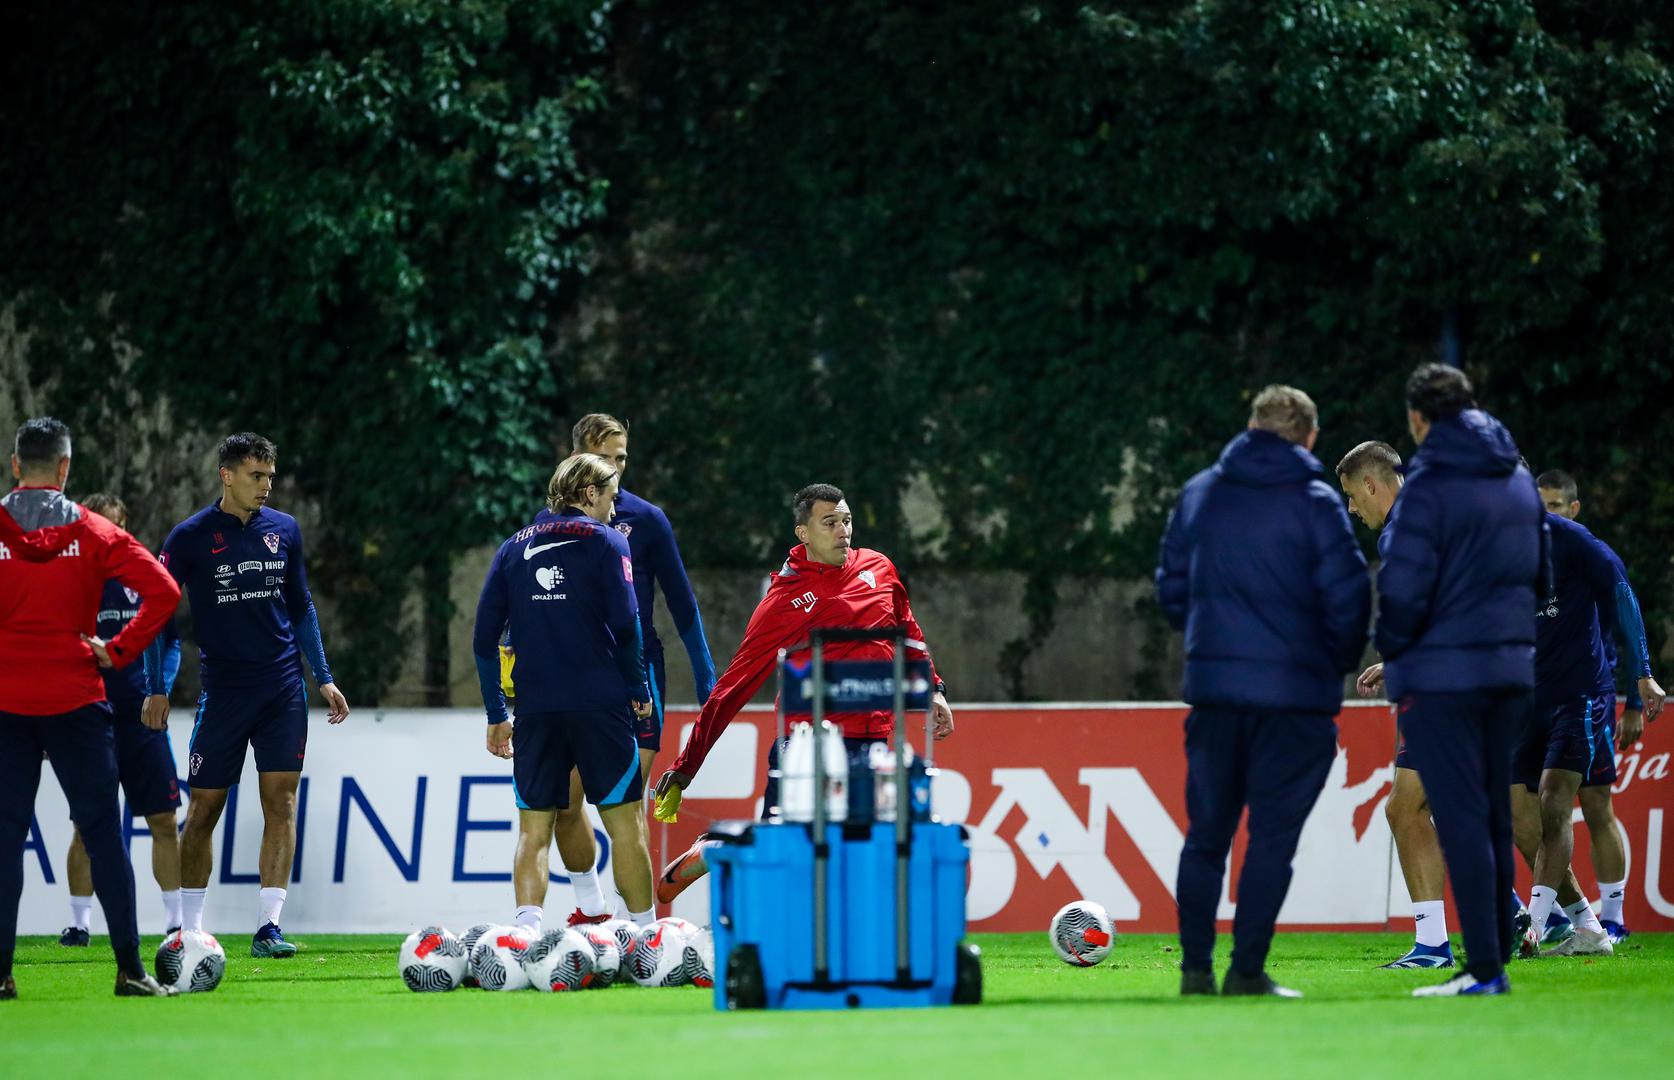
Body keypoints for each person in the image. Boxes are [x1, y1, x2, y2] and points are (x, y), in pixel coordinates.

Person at [1157, 386, 1371, 998]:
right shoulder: (1315, 501)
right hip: (1296, 701)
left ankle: (1195, 971)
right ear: (1309, 436)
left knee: (1206, 838)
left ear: (1250, 425)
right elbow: (1350, 596)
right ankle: (1246, 971)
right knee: (1272, 842)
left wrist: (1210, 643)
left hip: (1216, 695)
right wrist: (1330, 666)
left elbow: (1170, 589)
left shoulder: (1200, 493)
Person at [650, 483, 953, 903]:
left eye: (846, 520)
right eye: (829, 523)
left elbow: (907, 628)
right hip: (807, 745)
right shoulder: (786, 600)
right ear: (803, 533)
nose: (843, 530)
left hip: (871, 743)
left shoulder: (879, 567)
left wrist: (934, 688)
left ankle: (723, 850)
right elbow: (734, 685)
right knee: (786, 859)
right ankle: (719, 852)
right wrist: (687, 765)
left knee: (850, 860)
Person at [500, 414, 717, 925]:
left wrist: (708, 680)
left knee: (626, 808)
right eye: (607, 458)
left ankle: (636, 927)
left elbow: (682, 604)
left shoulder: (647, 519)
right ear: (579, 459)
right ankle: (593, 909)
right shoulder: (545, 526)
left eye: (622, 458)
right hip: (574, 682)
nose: (618, 468)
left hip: (637, 676)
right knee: (565, 809)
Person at [142, 433, 350, 959]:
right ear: (227, 475)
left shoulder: (285, 530)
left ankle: (268, 928)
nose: (266, 486)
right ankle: (189, 931)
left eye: (270, 477)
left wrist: (322, 676)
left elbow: (301, 607)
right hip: (225, 694)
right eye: (257, 476)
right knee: (204, 809)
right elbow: (157, 614)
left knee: (281, 803)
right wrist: (155, 687)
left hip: (282, 689)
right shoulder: (189, 537)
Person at [0, 417, 181, 998]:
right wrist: (121, 649)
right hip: (77, 700)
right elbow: (165, 592)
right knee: (103, 833)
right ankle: (130, 971)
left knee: (5, 837)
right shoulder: (96, 531)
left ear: (14, 466)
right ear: (65, 468)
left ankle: (1, 976)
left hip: (6, 703)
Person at [1376, 364, 1541, 997]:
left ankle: (1485, 970)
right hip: (1513, 670)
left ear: (1418, 418)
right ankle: (1495, 961)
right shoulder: (1516, 479)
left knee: (1461, 819)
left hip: (1446, 674)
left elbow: (1404, 588)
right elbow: (1543, 572)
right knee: (1494, 816)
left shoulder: (1428, 484)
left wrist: (1400, 660)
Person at [471, 454, 658, 932]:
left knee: (534, 830)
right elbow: (627, 625)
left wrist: (496, 712)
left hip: (536, 711)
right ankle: (645, 936)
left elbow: (483, 638)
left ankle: (524, 934)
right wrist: (638, 687)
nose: (614, 508)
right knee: (626, 826)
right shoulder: (608, 541)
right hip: (600, 705)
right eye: (611, 496)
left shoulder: (512, 547)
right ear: (590, 493)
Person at [1514, 479, 1664, 956]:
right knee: (1518, 814)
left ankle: (1540, 925)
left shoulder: (1573, 541)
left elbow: (1622, 594)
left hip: (1581, 694)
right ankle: (1586, 924)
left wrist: (1641, 680)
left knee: (1568, 800)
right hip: (1526, 698)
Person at [1338, 441, 1455, 969]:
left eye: (1351, 495)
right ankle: (1552, 915)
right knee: (1457, 807)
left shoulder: (1401, 530)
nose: (1351, 508)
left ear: (1371, 484)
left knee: (1405, 808)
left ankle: (1434, 945)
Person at [59, 494, 184, 946]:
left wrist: (159, 690)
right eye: (100, 525)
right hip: (92, 719)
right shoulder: (72, 583)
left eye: (116, 526)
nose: (109, 535)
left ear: (126, 528)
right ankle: (79, 924)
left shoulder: (147, 578)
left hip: (142, 720)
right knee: (86, 825)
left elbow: (171, 643)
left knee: (164, 820)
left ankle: (176, 923)